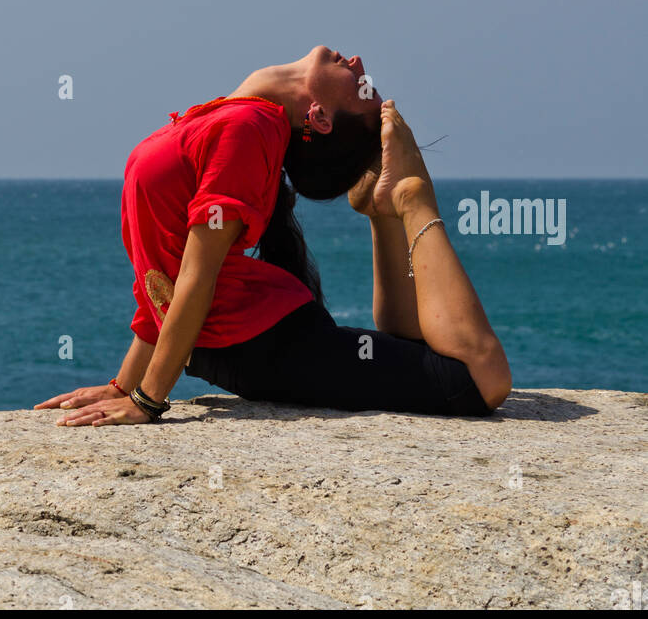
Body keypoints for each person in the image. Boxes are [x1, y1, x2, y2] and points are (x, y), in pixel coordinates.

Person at [34, 46, 511, 426]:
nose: (359, 63)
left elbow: (197, 278)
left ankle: (404, 202)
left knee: (474, 378)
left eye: (362, 87)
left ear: (321, 118)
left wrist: (146, 399)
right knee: (427, 368)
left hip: (269, 344)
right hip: (250, 344)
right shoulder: (230, 117)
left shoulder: (248, 127)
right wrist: (123, 386)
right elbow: (164, 275)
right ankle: (387, 212)